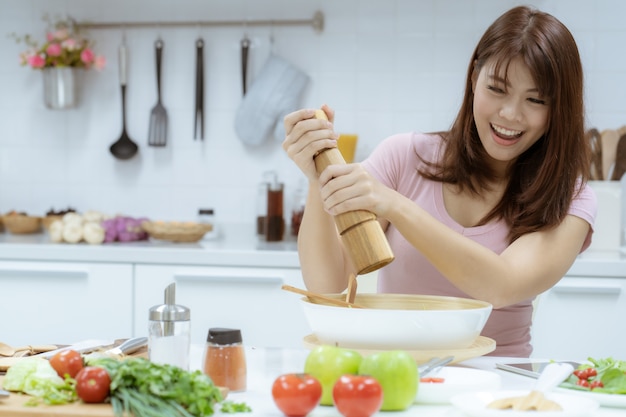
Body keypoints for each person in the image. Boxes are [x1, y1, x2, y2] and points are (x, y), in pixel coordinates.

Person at [282, 5, 597, 357]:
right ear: (473, 78)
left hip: (499, 387)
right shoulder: (404, 156)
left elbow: (501, 285)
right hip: (396, 380)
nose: (510, 114)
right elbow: (328, 285)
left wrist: (397, 206)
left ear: (559, 109)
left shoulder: (570, 199)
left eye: (535, 99)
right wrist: (317, 178)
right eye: (496, 89)